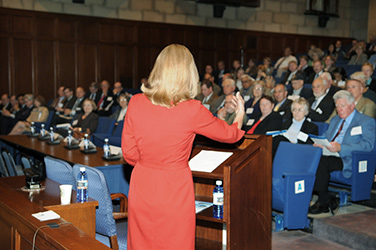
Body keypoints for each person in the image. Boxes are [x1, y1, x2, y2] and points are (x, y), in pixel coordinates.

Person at [121, 44, 245, 250]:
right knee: (175, 242)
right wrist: (239, 113)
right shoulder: (192, 109)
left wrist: (148, 164)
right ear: (189, 73)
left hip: (142, 182)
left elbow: (130, 153)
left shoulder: (135, 102)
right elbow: (230, 135)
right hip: (174, 186)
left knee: (143, 242)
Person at [309, 90, 375, 214]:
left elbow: (368, 146)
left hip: (348, 158)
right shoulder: (335, 120)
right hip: (330, 153)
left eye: (342, 106)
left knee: (321, 162)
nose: (339, 109)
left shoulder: (365, 121)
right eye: (337, 106)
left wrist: (341, 148)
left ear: (352, 105)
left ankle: (323, 201)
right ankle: (308, 197)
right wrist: (319, 143)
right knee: (310, 156)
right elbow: (325, 136)